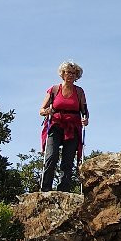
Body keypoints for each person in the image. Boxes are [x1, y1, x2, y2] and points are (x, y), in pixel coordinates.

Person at [39, 60, 89, 192]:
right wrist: (47, 111)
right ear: (62, 74)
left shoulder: (79, 92)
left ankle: (63, 190)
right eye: (68, 72)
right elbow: (41, 110)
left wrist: (85, 119)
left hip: (72, 127)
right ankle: (45, 189)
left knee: (67, 161)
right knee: (51, 156)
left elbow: (84, 110)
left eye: (73, 73)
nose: (71, 75)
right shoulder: (54, 90)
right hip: (55, 124)